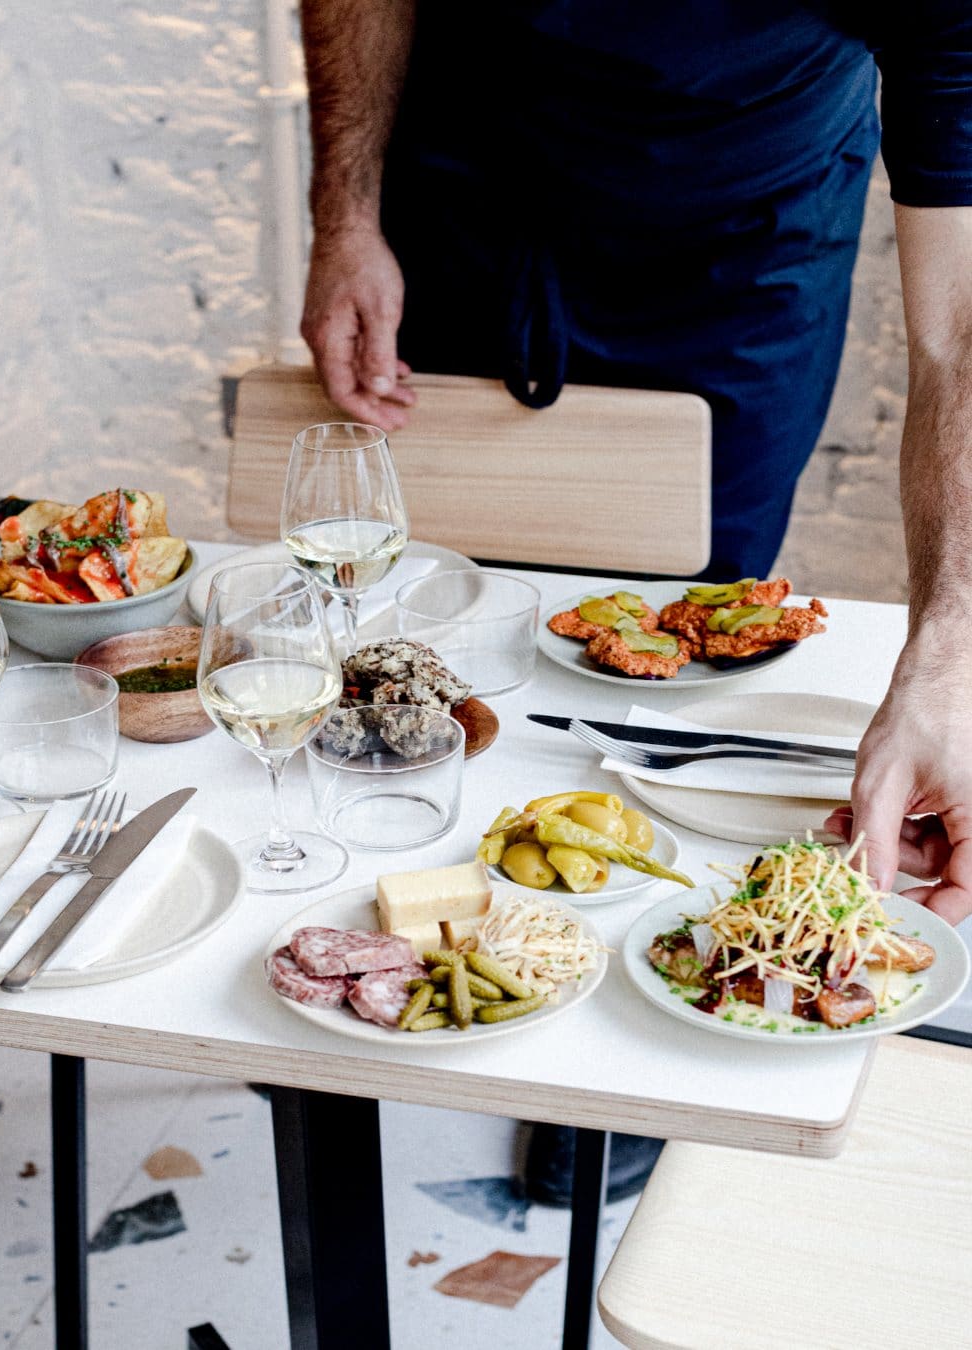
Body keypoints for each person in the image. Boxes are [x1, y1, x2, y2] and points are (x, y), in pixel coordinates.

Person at [296, 1, 972, 1202]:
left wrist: (950, 658)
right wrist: (344, 213)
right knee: (435, 644)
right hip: (468, 182)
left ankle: (634, 1036)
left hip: (743, 227)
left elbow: (963, 324)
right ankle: (392, 960)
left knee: (695, 644)